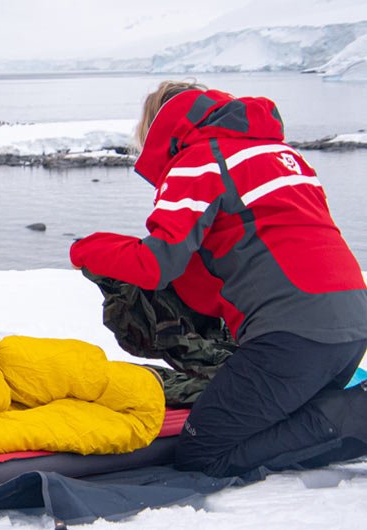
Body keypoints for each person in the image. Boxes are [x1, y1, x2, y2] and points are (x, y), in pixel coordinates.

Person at [70, 80, 367, 477]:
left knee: (203, 453)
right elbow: (257, 254)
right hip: (351, 326)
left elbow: (155, 265)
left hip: (291, 334)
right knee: (280, 422)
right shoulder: (280, 154)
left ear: (159, 127)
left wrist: (86, 249)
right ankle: (340, 415)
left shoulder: (198, 159)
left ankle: (355, 413)